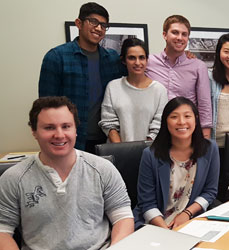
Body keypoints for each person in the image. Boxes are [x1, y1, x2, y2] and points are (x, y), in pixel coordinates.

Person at [0, 96, 133, 249]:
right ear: (34, 131)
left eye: (66, 126)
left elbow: (123, 218)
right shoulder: (13, 178)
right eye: (49, 127)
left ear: (75, 129)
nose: (59, 135)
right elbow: (3, 231)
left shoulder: (103, 169)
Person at [38, 2, 124, 151]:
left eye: (103, 25)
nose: (99, 28)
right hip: (70, 140)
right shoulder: (57, 57)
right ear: (79, 23)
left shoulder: (112, 59)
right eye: (94, 22)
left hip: (106, 140)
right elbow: (46, 107)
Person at [134, 97, 219, 230]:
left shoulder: (210, 149)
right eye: (174, 117)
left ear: (196, 119)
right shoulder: (150, 155)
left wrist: (187, 213)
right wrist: (166, 230)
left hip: (192, 220)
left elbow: (210, 191)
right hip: (156, 222)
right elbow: (147, 203)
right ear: (165, 122)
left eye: (187, 116)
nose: (181, 122)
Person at [146, 15, 212, 139]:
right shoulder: (148, 62)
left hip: (186, 131)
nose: (180, 38)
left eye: (184, 34)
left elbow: (204, 104)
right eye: (175, 33)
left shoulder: (198, 66)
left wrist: (205, 136)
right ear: (164, 35)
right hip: (155, 131)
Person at [99, 38, 168, 143]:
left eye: (141, 58)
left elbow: (158, 126)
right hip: (118, 152)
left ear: (147, 60)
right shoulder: (113, 87)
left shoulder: (159, 90)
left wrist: (143, 152)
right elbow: (109, 123)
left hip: (149, 153)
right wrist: (123, 151)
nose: (137, 62)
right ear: (124, 61)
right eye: (132, 58)